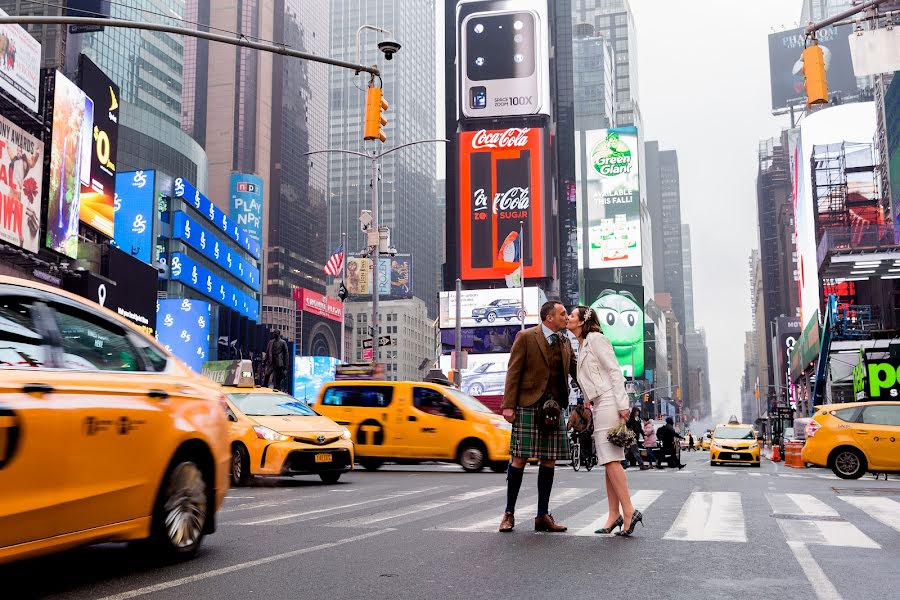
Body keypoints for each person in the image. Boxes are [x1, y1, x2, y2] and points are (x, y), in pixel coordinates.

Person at [499, 301, 577, 533]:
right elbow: (513, 371)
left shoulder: (565, 342)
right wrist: (508, 405)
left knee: (549, 459)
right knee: (519, 459)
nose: (566, 317)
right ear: (549, 318)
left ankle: (542, 516)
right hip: (527, 404)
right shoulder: (526, 337)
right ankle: (509, 514)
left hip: (554, 407)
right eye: (562, 314)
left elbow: (576, 370)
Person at [568, 305, 643, 537]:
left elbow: (614, 371)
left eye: (572, 315)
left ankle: (629, 511)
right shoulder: (583, 344)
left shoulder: (596, 339)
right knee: (608, 460)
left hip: (610, 401)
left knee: (611, 459)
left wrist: (623, 405)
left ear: (582, 321)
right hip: (600, 403)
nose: (569, 318)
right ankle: (614, 515)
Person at [566, 399, 594, 467]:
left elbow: (589, 422)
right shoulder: (574, 413)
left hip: (585, 431)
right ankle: (576, 458)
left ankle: (589, 458)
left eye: (581, 405)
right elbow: (570, 422)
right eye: (579, 405)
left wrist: (587, 430)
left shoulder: (587, 412)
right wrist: (568, 428)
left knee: (587, 443)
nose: (580, 406)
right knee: (574, 442)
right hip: (577, 431)